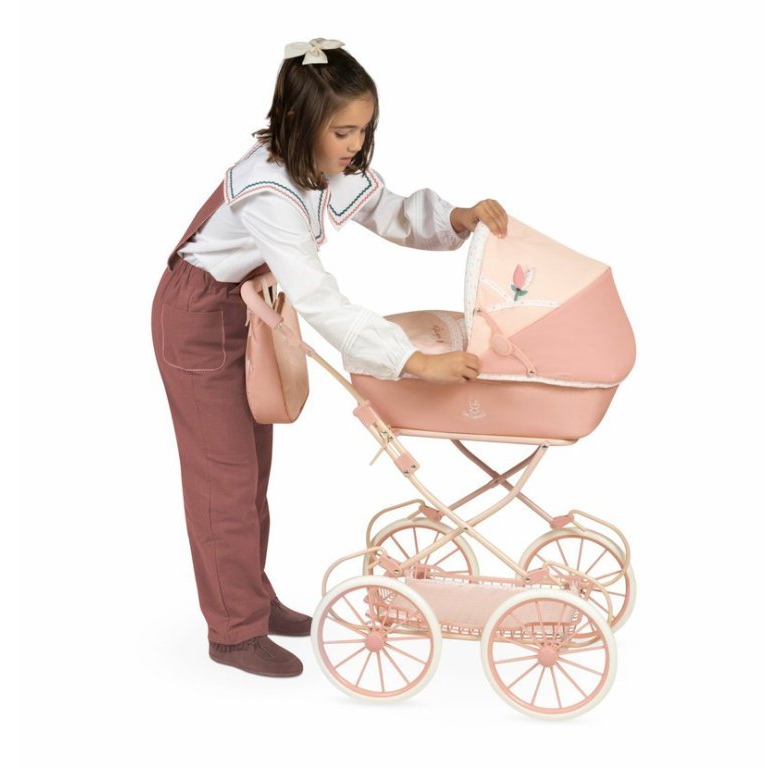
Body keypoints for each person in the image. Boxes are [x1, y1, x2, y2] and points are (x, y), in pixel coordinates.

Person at [150, 37, 509, 678]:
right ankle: (232, 630)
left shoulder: (320, 161)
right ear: (300, 120)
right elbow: (319, 297)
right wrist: (410, 361)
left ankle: (250, 598)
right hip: (199, 318)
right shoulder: (269, 190)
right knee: (222, 479)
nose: (354, 144)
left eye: (363, 130)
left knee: (250, 471)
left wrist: (457, 217)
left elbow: (390, 211)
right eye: (343, 131)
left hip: (247, 303)